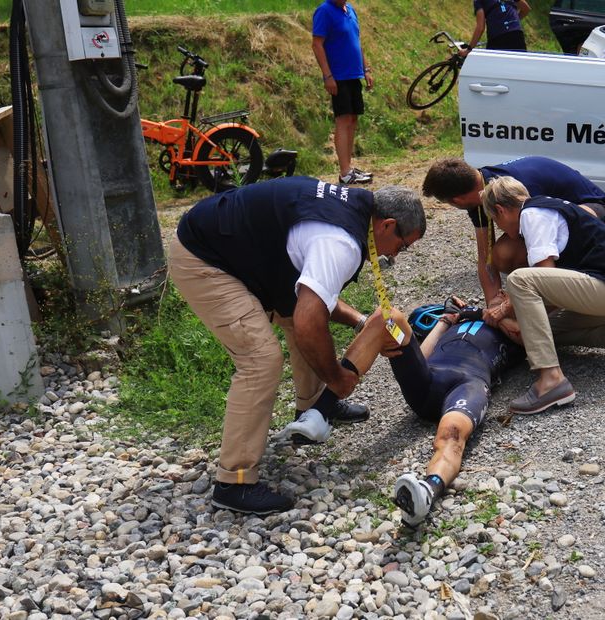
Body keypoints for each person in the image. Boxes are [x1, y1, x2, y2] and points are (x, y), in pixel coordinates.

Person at [169, 176, 425, 514]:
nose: (396, 255)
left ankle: (314, 408)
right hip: (205, 259)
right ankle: (235, 482)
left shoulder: (355, 209)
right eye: (402, 246)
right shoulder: (341, 243)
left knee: (295, 313)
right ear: (387, 225)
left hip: (239, 248)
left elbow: (313, 300)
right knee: (261, 360)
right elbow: (310, 320)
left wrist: (363, 323)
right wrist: (338, 378)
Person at [279, 299, 524, 527]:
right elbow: (423, 354)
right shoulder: (458, 320)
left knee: (451, 435)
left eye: (507, 297)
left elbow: (524, 336)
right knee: (389, 317)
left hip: (469, 385)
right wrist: (447, 320)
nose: (502, 297)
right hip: (427, 381)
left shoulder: (515, 327)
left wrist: (487, 314)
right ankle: (320, 412)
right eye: (501, 294)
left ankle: (428, 490)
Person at [481, 176, 605, 414]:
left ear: (500, 210)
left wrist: (504, 310)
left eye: (497, 223)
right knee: (540, 331)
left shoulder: (532, 215)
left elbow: (543, 278)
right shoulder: (547, 206)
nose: (503, 232)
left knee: (520, 279)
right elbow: (549, 296)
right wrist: (522, 323)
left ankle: (551, 381)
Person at [422, 156, 605, 321]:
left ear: (457, 201)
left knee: (538, 251)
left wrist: (512, 306)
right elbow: (486, 257)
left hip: (596, 212)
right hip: (560, 222)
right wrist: (492, 304)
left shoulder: (514, 184)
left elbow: (554, 227)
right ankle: (545, 298)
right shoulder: (479, 189)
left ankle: (568, 294)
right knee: (504, 254)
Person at [312, 0, 374, 185]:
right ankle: (345, 171)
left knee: (353, 119)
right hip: (338, 76)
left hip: (354, 74)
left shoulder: (350, 10)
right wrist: (327, 75)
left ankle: (349, 168)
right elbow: (317, 44)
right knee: (343, 119)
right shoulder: (324, 11)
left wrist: (367, 69)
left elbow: (356, 41)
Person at [460, 0, 531, 57]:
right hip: (517, 35)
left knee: (491, 70)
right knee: (518, 70)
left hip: (497, 38)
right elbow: (526, 9)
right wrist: (513, 22)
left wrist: (468, 49)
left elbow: (480, 27)